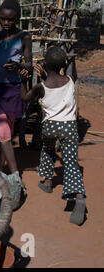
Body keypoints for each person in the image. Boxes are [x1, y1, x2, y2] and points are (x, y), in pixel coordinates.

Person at [19, 46, 86, 225]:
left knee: (48, 150)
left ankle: (48, 182)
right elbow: (62, 81)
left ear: (45, 64)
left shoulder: (41, 87)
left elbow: (25, 98)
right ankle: (78, 196)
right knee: (71, 163)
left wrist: (23, 81)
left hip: (49, 127)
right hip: (69, 127)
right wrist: (70, 60)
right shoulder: (71, 80)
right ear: (64, 64)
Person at [0, 0, 32, 209]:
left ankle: (0, 173)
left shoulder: (24, 37)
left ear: (17, 19)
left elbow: (29, 63)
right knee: (3, 134)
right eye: (2, 18)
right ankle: (16, 177)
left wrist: (19, 65)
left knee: (7, 133)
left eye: (10, 19)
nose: (6, 22)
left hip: (13, 89)